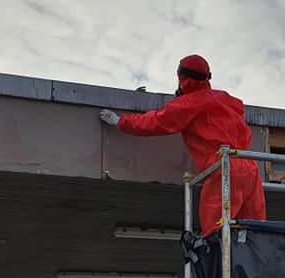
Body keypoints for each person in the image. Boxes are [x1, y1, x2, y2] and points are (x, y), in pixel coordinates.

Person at [99, 55, 266, 235]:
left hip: (223, 168)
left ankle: (219, 263)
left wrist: (120, 122)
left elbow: (156, 121)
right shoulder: (224, 99)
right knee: (255, 234)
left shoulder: (189, 104)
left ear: (182, 79)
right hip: (249, 167)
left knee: (216, 235)